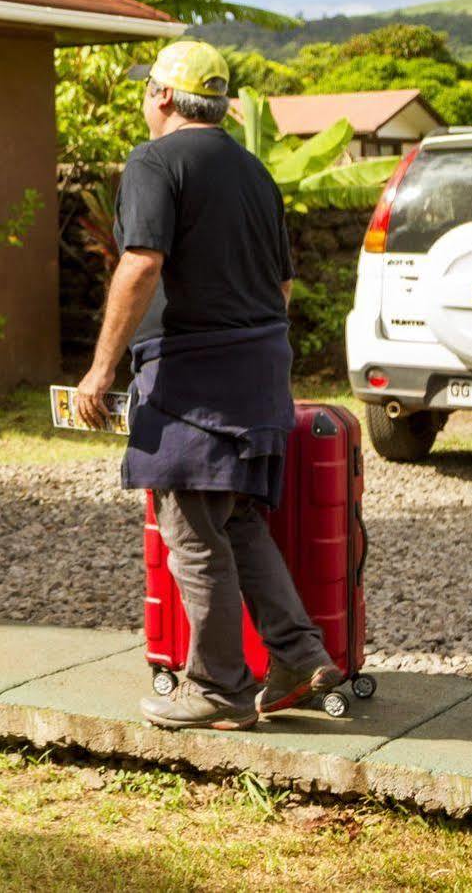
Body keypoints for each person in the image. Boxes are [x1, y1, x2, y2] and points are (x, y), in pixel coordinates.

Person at [71, 40, 343, 731]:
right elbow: (280, 284)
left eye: (146, 90)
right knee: (238, 519)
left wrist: (101, 369)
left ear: (161, 96)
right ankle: (298, 657)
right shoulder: (253, 171)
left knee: (190, 529)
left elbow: (139, 263)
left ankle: (219, 689)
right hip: (259, 366)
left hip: (194, 376)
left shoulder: (154, 160)